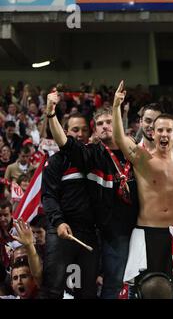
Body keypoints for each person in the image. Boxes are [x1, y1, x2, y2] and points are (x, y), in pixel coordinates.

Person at [45, 89, 139, 299]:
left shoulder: (134, 152)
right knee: (109, 285)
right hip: (112, 233)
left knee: (138, 284)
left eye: (109, 121)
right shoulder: (93, 154)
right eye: (100, 124)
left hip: (139, 227)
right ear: (94, 131)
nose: (105, 126)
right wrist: (51, 114)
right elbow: (65, 143)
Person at [111, 81, 173, 289]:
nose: (164, 134)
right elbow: (118, 138)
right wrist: (116, 107)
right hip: (147, 232)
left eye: (168, 130)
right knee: (146, 289)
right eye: (160, 130)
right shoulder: (142, 158)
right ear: (152, 133)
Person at [39, 112, 99, 299]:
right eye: (75, 130)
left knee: (87, 291)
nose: (80, 134)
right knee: (53, 289)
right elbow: (48, 197)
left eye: (84, 130)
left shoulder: (96, 159)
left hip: (89, 234)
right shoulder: (56, 162)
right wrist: (58, 222)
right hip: (62, 231)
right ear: (64, 132)